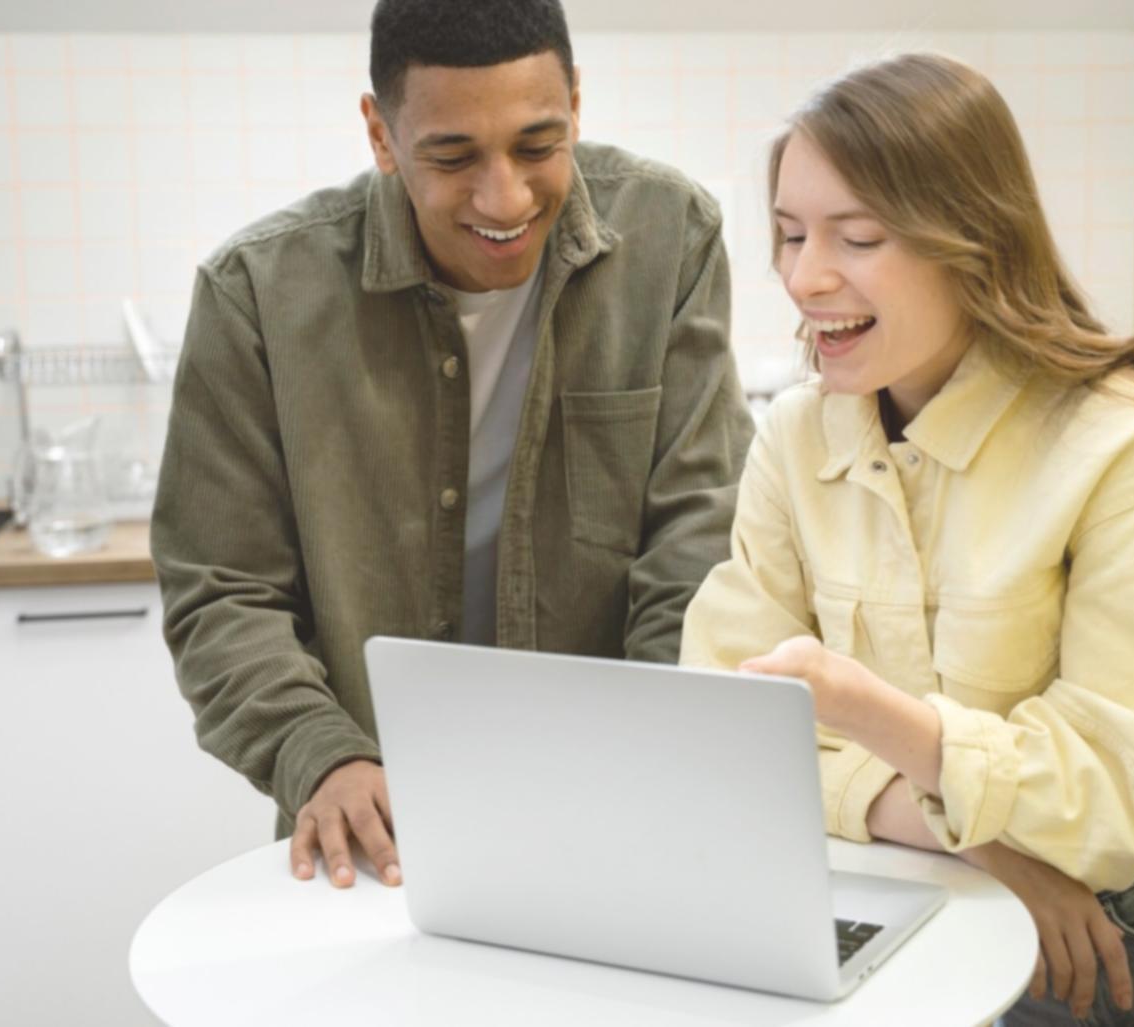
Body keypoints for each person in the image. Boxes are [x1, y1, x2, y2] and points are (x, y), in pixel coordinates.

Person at [681, 53, 1134, 1025]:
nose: (803, 274)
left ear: (973, 244)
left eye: (855, 237)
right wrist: (974, 841)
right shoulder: (793, 434)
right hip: (948, 911)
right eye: (787, 233)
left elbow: (1115, 792)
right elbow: (723, 733)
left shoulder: (1124, 441)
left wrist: (864, 711)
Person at [152, 0, 752, 890]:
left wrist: (653, 746)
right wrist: (318, 754)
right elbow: (222, 590)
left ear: (577, 105)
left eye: (538, 146)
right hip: (372, 831)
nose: (503, 197)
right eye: (452, 156)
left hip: (619, 805)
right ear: (381, 134)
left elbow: (697, 542)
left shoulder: (672, 240)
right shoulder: (257, 296)